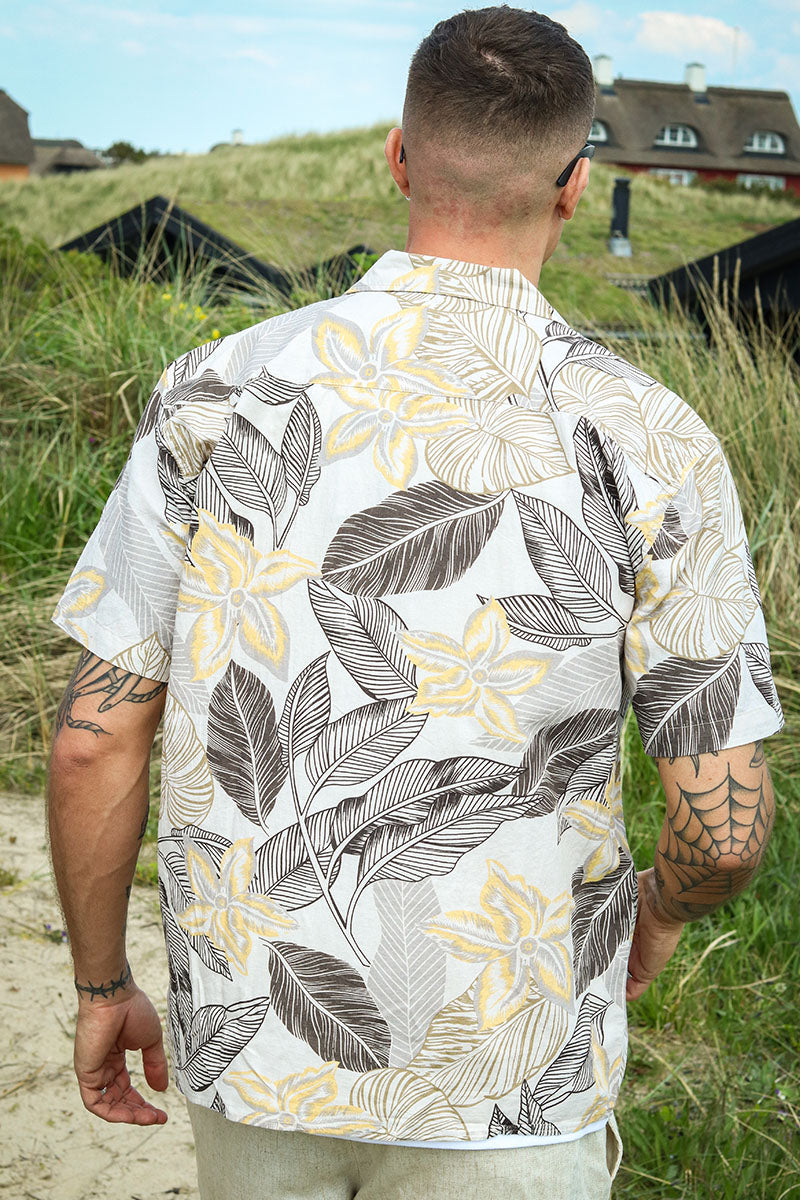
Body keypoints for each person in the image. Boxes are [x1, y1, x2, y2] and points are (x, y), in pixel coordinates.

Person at [47, 7, 784, 1199]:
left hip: (257, 1053)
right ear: (574, 184)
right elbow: (725, 825)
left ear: (396, 156)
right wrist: (654, 914)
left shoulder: (212, 394)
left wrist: (100, 984)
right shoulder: (650, 436)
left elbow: (94, 740)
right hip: (516, 1079)